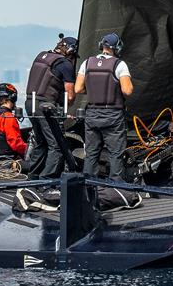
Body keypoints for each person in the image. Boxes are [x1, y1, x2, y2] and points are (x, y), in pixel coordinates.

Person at [75, 33, 133, 182]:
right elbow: (127, 90)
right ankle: (116, 188)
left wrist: (95, 90)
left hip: (92, 114)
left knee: (91, 153)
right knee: (115, 153)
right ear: (117, 48)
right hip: (112, 114)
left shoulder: (86, 63)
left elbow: (78, 89)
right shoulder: (119, 64)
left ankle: (88, 186)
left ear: (102, 46)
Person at [25, 33, 79, 179]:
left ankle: (33, 175)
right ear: (71, 51)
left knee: (41, 141)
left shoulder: (41, 56)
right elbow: (71, 95)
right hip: (45, 106)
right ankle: (47, 179)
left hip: (30, 103)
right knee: (56, 144)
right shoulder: (64, 64)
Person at [0, 83, 27, 159]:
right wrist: (30, 150)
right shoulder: (8, 117)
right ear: (13, 97)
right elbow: (16, 144)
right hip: (6, 162)